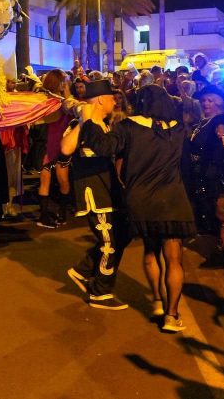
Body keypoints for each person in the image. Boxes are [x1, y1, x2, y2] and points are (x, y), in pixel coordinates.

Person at [101, 85, 196, 331]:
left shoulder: (127, 127)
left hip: (142, 198)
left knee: (150, 251)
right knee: (174, 259)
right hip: (173, 197)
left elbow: (112, 155)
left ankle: (156, 299)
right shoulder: (178, 129)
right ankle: (172, 315)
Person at [63, 79, 131, 310]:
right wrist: (83, 121)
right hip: (94, 193)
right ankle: (100, 293)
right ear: (101, 99)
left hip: (109, 192)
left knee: (120, 236)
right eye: (112, 97)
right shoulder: (82, 122)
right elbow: (65, 149)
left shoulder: (105, 124)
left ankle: (82, 271)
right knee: (109, 243)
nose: (116, 101)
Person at [188, 84, 224, 267]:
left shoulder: (219, 121)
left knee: (221, 214)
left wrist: (214, 168)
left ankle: (223, 251)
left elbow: (223, 147)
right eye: (203, 101)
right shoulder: (203, 122)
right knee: (212, 212)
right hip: (204, 173)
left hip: (218, 174)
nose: (205, 104)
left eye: (210, 100)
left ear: (219, 103)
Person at [36, 70, 74, 229]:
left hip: (60, 146)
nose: (66, 82)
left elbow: (72, 108)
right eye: (64, 80)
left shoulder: (64, 100)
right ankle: (44, 216)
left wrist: (66, 93)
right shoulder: (50, 102)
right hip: (48, 146)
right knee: (46, 181)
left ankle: (61, 213)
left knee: (63, 181)